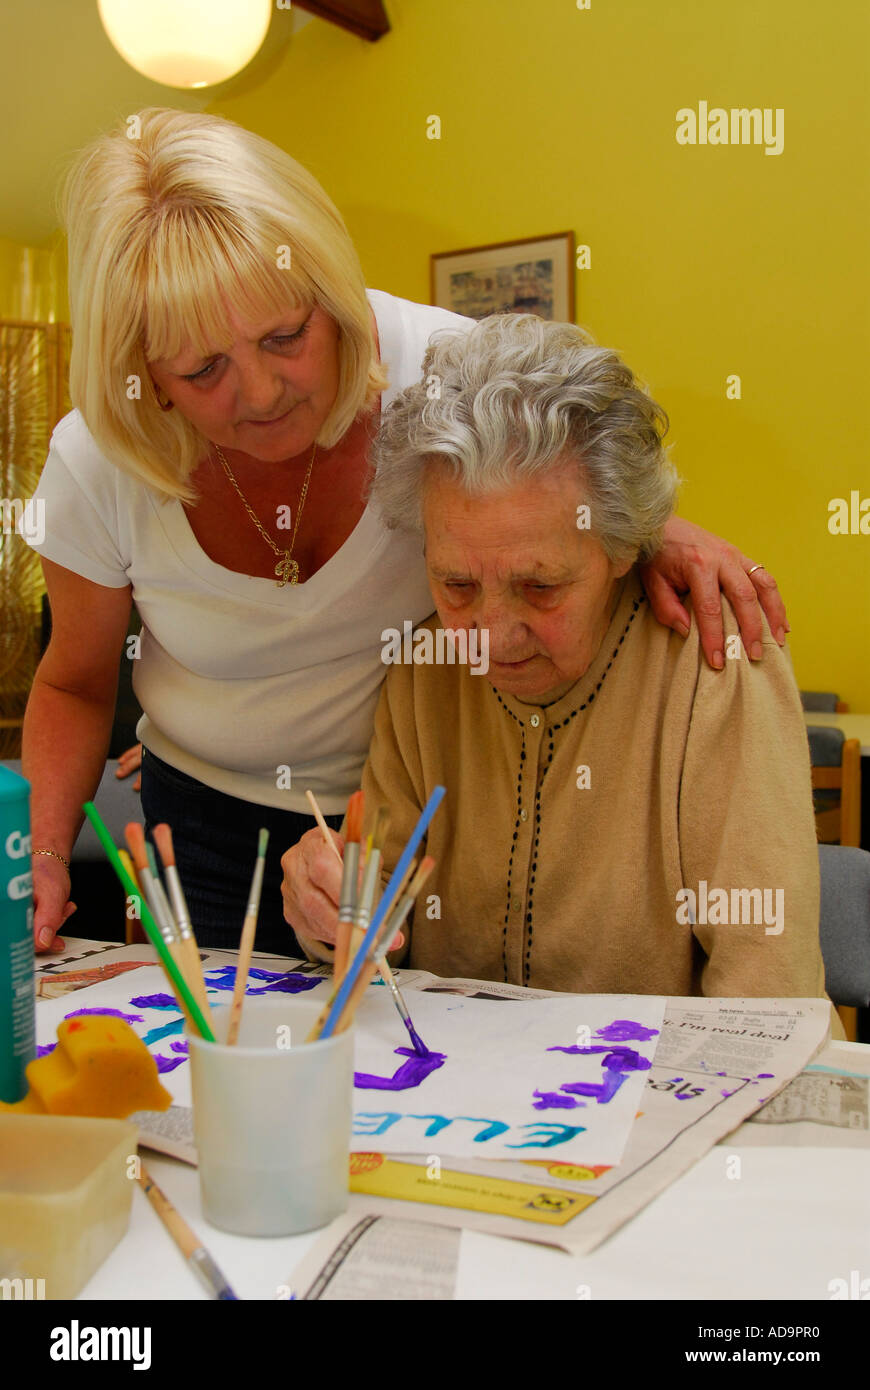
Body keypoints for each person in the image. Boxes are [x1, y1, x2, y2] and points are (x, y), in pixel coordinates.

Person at [22, 107, 787, 957]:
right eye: (203, 369)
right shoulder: (99, 462)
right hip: (200, 818)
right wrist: (42, 855)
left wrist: (652, 530)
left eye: (287, 336)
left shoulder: (442, 369)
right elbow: (76, 683)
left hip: (416, 812)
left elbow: (565, 471)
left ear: (332, 295)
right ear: (146, 375)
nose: (265, 392)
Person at [281, 314, 840, 1033]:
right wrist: (329, 904)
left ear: (623, 548)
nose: (487, 637)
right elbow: (379, 911)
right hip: (463, 1108)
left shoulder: (712, 665)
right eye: (455, 586)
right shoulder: (424, 665)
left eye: (540, 588)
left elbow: (767, 997)